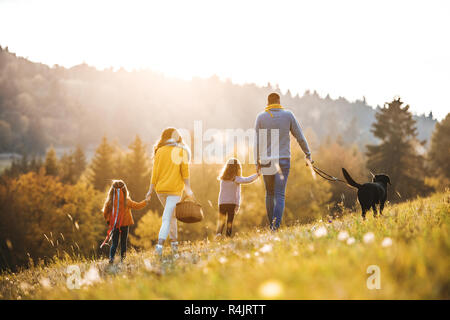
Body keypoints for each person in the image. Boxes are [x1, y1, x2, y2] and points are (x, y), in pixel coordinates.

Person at [254, 92, 313, 231]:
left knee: (269, 193)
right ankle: (275, 228)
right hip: (283, 160)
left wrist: (256, 161)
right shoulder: (288, 115)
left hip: (266, 160)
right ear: (279, 101)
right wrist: (308, 154)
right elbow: (300, 137)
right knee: (279, 194)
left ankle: (272, 227)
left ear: (268, 103)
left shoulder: (261, 117)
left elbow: (256, 142)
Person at [146, 127, 193, 256]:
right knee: (168, 217)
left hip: (160, 190)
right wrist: (188, 189)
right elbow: (185, 172)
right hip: (174, 191)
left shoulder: (159, 151)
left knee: (172, 216)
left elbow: (154, 173)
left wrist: (150, 190)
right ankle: (159, 246)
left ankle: (174, 246)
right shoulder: (181, 151)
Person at [101, 179, 148, 264]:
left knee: (114, 243)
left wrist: (108, 221)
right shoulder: (127, 200)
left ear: (112, 190)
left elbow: (105, 212)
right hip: (125, 225)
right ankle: (123, 259)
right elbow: (137, 206)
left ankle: (111, 258)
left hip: (115, 225)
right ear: (124, 189)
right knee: (123, 242)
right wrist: (145, 202)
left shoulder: (110, 201)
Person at [216, 158, 260, 238]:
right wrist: (257, 175)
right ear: (237, 168)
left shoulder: (223, 179)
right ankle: (227, 237)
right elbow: (247, 180)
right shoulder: (235, 179)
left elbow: (221, 193)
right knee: (230, 221)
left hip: (222, 203)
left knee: (221, 221)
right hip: (231, 203)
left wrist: (219, 203)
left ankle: (218, 234)